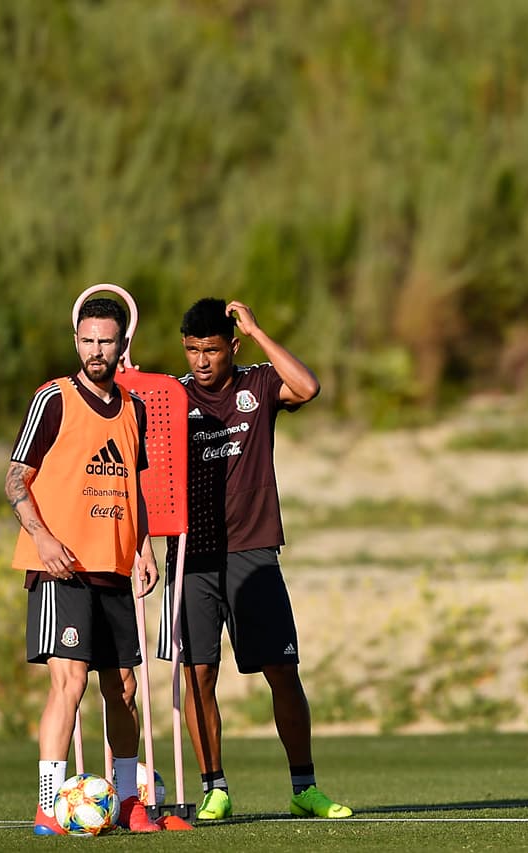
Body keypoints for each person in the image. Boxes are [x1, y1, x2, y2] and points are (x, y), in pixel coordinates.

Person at [157, 297, 351, 820]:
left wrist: (258, 331)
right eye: (193, 350)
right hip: (192, 555)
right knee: (197, 673)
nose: (202, 361)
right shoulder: (173, 396)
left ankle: (304, 788)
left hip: (254, 549)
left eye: (212, 350)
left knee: (282, 669)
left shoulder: (259, 383)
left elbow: (307, 387)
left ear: (232, 348)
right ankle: (214, 789)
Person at [7, 297, 163, 835]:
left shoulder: (135, 409)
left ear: (123, 345)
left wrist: (144, 547)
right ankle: (49, 805)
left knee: (123, 689)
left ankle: (129, 802)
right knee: (69, 684)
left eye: (106, 341)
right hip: (61, 568)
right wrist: (42, 537)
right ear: (76, 341)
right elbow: (14, 479)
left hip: (113, 568)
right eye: (88, 340)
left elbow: (134, 485)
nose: (97, 350)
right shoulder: (53, 398)